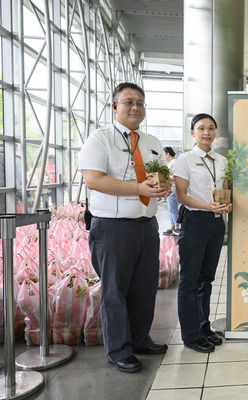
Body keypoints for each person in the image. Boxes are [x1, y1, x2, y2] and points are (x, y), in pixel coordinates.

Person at [80, 82, 170, 373]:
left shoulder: (152, 142)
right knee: (115, 291)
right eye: (129, 102)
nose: (135, 108)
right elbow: (93, 179)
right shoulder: (100, 139)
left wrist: (161, 189)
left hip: (147, 225)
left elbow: (155, 179)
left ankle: (140, 339)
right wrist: (138, 188)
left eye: (140, 103)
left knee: (144, 288)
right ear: (114, 107)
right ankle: (118, 349)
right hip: (113, 228)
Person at [173, 113, 231, 353]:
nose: (206, 133)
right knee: (189, 281)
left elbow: (225, 190)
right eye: (201, 128)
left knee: (206, 279)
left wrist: (227, 205)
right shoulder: (184, 160)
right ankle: (190, 335)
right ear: (192, 133)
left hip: (216, 224)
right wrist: (209, 206)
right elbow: (182, 196)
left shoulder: (222, 161)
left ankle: (203, 326)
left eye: (211, 128)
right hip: (194, 222)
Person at [163, 146, 180, 236]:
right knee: (171, 209)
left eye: (164, 154)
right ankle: (172, 227)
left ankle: (177, 227)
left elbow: (177, 177)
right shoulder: (171, 163)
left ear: (168, 154)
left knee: (173, 209)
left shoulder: (175, 163)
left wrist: (164, 176)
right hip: (169, 189)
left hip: (173, 190)